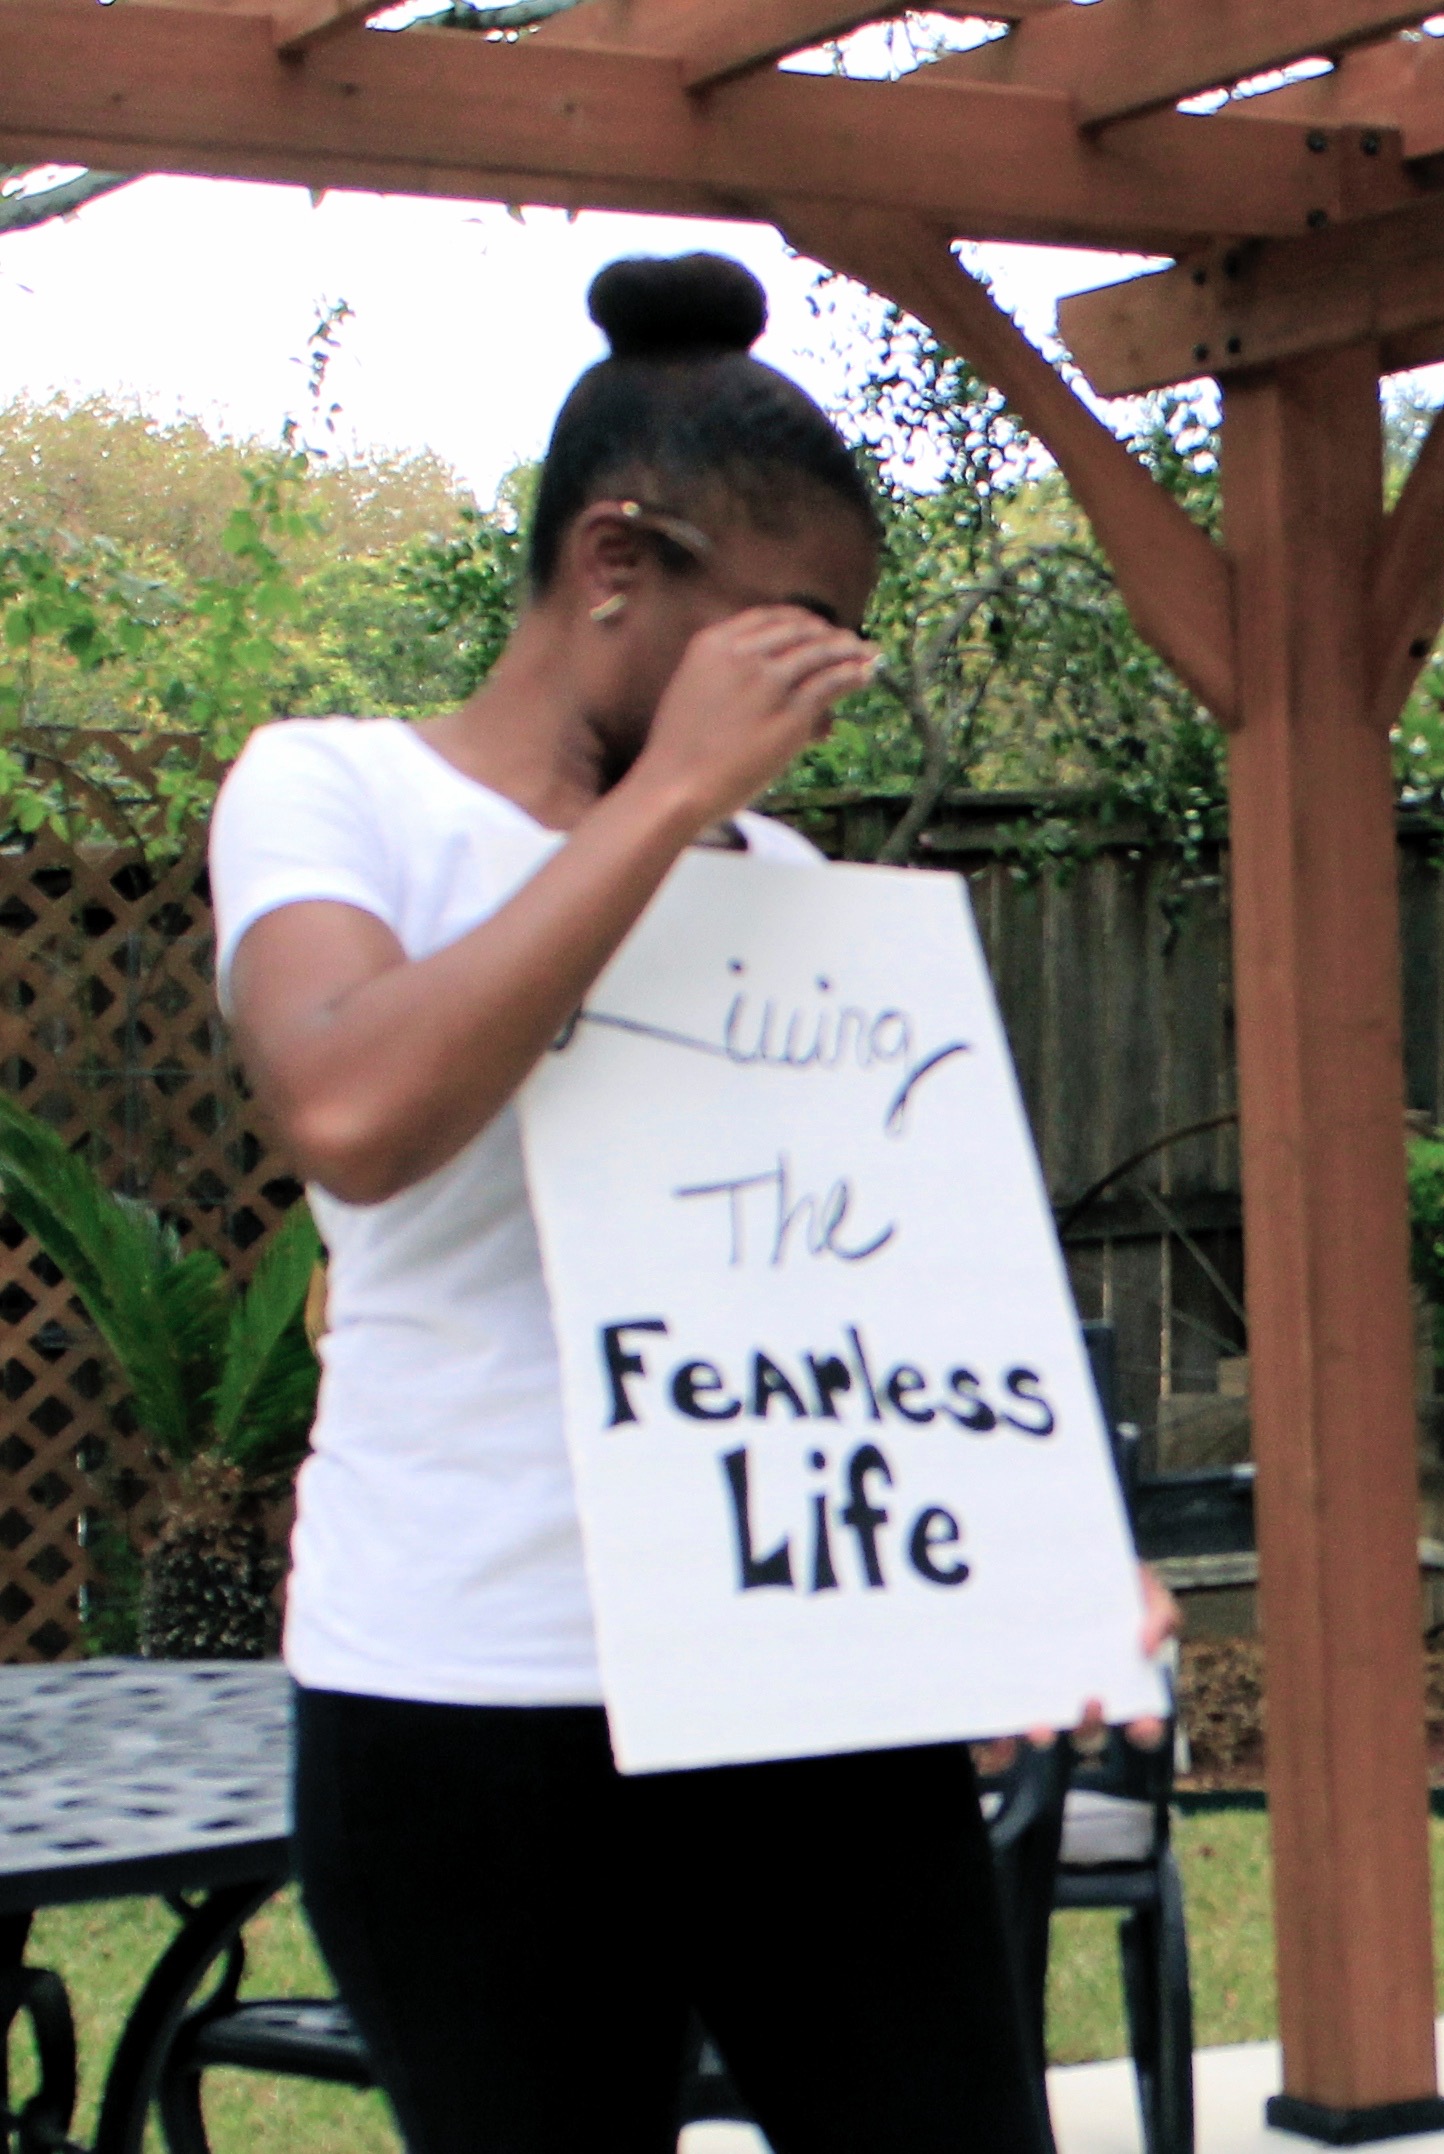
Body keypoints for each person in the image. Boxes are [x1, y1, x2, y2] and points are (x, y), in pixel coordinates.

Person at [208, 253, 1167, 2154]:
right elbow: (354, 1108)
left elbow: (881, 1288)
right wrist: (657, 810)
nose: (824, 689)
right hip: (470, 1697)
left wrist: (1030, 1560)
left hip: (800, 1678)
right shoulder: (337, 795)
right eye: (792, 632)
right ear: (615, 561)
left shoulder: (787, 877)